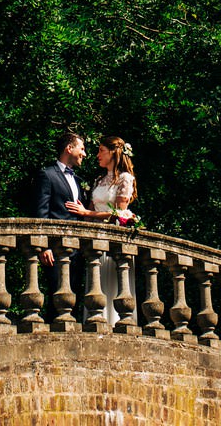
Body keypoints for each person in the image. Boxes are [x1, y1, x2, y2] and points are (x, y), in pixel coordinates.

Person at [65, 136, 137, 324]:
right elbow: (90, 211)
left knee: (112, 284)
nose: (97, 155)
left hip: (113, 239)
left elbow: (120, 214)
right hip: (95, 239)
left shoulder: (125, 179)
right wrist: (84, 214)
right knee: (95, 286)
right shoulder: (99, 180)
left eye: (101, 151)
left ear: (113, 152)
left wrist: (87, 211)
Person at [36, 131, 87, 275]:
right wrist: (44, 246)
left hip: (77, 251)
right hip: (56, 249)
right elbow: (42, 212)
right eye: (82, 149)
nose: (84, 154)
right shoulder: (47, 175)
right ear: (69, 148)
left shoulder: (78, 180)